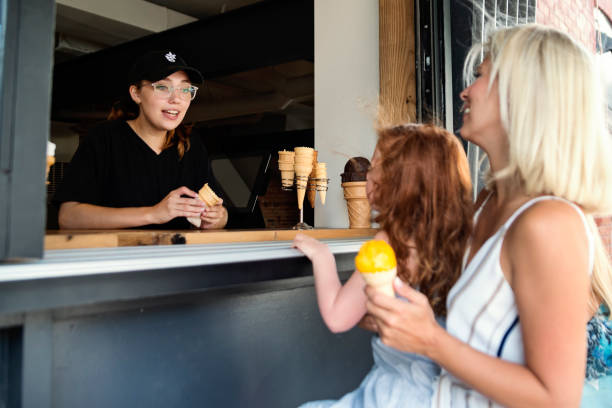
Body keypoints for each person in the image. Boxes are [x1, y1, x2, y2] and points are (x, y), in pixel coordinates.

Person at [364, 24, 612, 407]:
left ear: (524, 95)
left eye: (480, 76)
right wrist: (396, 314)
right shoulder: (484, 204)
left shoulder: (549, 224)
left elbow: (556, 398)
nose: (465, 91)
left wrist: (430, 340)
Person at [292, 123, 473, 407]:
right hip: (444, 395)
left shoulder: (389, 242)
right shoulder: (465, 241)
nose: (369, 174)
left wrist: (321, 256)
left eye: (376, 165)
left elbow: (337, 318)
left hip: (392, 394)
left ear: (402, 181)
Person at [54, 50, 228, 230]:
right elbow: (68, 217)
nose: (176, 99)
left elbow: (221, 216)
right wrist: (153, 213)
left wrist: (217, 217)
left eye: (185, 89)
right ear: (136, 93)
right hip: (119, 256)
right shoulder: (104, 138)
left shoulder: (191, 144)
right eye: (162, 87)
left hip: (175, 256)